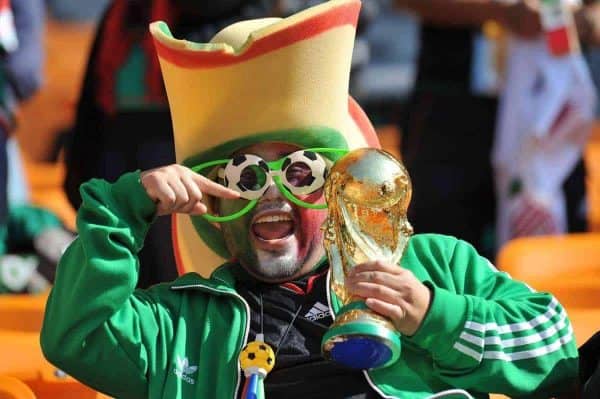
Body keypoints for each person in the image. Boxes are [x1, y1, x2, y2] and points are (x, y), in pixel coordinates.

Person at [42, 1, 578, 398]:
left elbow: (558, 353)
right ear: (217, 208)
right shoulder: (183, 323)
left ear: (339, 187)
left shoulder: (431, 266)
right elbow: (77, 338)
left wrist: (434, 314)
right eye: (246, 177)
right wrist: (123, 209)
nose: (273, 190)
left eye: (301, 171)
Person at [63, 0, 278, 288]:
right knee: (122, 256)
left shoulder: (234, 10)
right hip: (116, 142)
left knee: (170, 265)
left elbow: (220, 58)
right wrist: (78, 165)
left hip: (178, 145)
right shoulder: (121, 12)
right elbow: (92, 96)